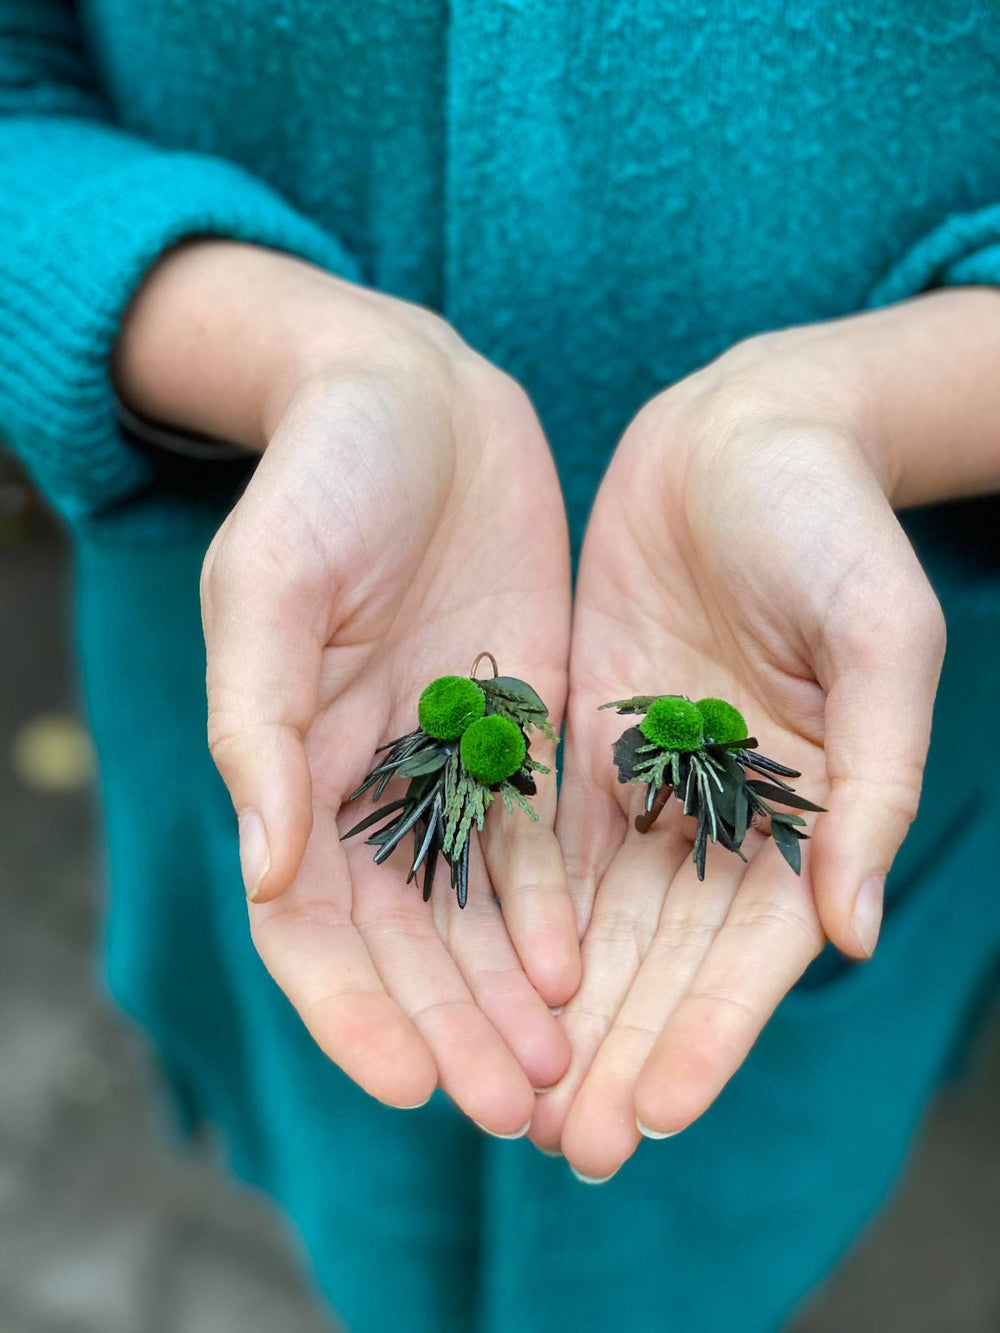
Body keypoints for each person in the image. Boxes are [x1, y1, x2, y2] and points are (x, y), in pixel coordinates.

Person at [2, 3, 999, 1329]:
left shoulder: (709, 770)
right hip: (262, 738)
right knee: (352, 1180)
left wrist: (887, 407)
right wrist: (281, 351)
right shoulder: (416, 763)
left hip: (837, 908)